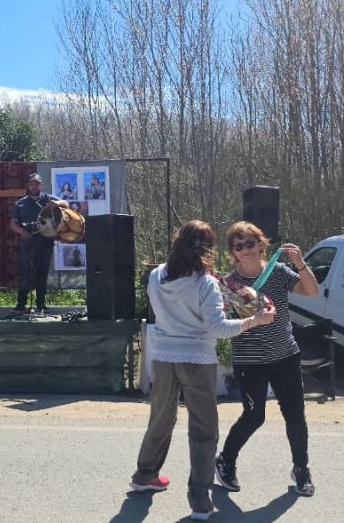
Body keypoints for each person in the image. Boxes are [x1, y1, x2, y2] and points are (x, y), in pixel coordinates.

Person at [130, 220, 274, 521]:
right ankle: (199, 500)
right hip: (197, 360)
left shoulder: (156, 276)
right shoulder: (205, 283)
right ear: (208, 249)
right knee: (204, 430)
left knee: (160, 419)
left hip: (163, 358)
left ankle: (145, 475)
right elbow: (218, 329)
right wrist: (253, 321)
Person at [215, 222, 320, 497]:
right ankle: (225, 460)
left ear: (262, 245)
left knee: (295, 415)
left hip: (285, 355)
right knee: (254, 416)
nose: (245, 250)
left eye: (250, 243)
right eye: (239, 246)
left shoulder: (279, 272)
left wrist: (299, 263)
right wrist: (252, 318)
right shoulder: (229, 285)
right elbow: (224, 323)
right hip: (250, 361)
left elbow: (311, 291)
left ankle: (301, 469)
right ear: (233, 253)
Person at [10, 173, 68, 313]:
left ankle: (41, 304)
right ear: (28, 186)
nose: (34, 186)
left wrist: (57, 203)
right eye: (31, 183)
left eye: (36, 183)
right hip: (27, 241)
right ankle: (21, 304)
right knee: (25, 273)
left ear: (41, 185)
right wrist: (21, 232)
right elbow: (13, 224)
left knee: (42, 274)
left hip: (45, 242)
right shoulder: (20, 203)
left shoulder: (48, 198)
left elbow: (66, 204)